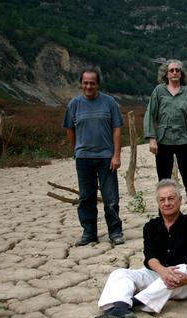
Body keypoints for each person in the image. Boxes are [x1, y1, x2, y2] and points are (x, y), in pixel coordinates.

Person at [93, 179, 187, 318]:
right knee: (119, 273)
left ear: (180, 200)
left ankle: (128, 304)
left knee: (182, 269)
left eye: (171, 198)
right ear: (158, 203)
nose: (166, 203)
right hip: (157, 274)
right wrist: (162, 271)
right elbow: (150, 256)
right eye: (162, 199)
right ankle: (120, 309)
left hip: (185, 281)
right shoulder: (151, 226)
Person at [63, 67, 125, 246]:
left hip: (106, 157)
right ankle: (89, 233)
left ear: (97, 84)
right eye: (85, 83)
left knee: (110, 198)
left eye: (92, 83)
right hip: (83, 158)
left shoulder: (109, 102)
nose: (88, 86)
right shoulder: (74, 104)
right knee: (86, 198)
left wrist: (116, 155)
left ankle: (115, 232)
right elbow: (69, 129)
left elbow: (117, 129)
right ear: (81, 84)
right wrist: (76, 150)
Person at [143, 59, 187, 231]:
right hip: (163, 140)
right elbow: (150, 115)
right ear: (166, 73)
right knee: (164, 181)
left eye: (177, 70)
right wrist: (152, 138)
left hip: (183, 140)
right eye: (171, 70)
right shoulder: (159, 91)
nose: (174, 73)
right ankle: (164, 218)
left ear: (181, 73)